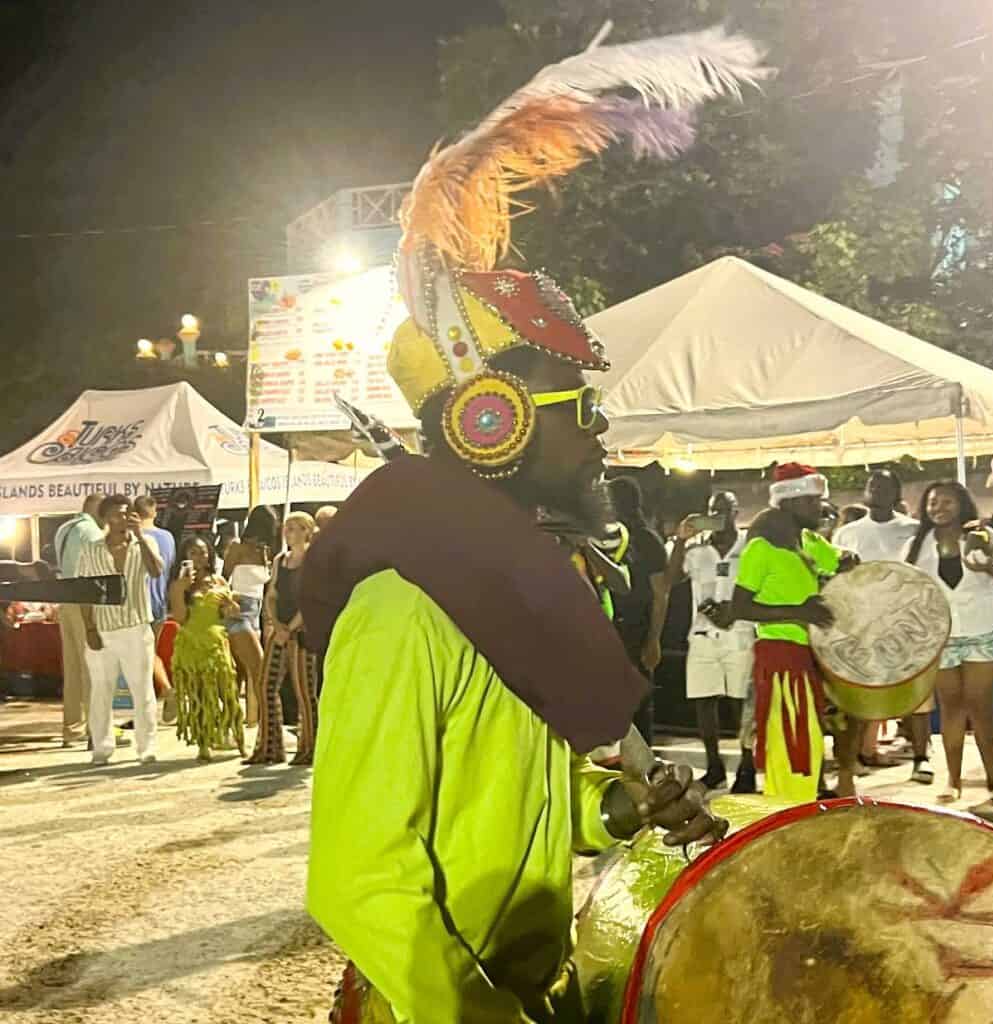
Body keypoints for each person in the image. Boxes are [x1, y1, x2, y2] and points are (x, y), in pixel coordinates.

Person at [296, 27, 756, 1012]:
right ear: (488, 422)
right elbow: (358, 875)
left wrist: (616, 807)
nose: (598, 439)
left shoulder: (519, 593)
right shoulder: (401, 612)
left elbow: (517, 810)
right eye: (578, 415)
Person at [731, 464, 857, 802]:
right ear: (790, 502)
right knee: (789, 744)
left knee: (809, 744)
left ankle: (797, 809)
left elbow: (837, 563)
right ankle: (786, 814)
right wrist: (799, 612)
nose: (821, 508)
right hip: (779, 657)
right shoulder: (761, 548)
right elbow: (739, 607)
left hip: (807, 657)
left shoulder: (810, 542)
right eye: (813, 502)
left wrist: (848, 560)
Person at [903, 480, 993, 806]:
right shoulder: (916, 543)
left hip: (983, 626)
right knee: (951, 706)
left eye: (947, 502)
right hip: (941, 633)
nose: (939, 509)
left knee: (980, 707)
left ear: (962, 504)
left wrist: (987, 566)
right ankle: (952, 780)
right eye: (933, 503)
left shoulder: (983, 535)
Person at [654, 492, 757, 793]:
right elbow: (669, 580)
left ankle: (747, 765)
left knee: (741, 704)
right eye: (713, 511)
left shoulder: (749, 547)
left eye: (724, 510)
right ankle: (714, 767)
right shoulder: (696, 549)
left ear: (736, 512)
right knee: (704, 700)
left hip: (739, 632)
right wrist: (681, 540)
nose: (719, 517)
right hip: (701, 633)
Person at [833, 470, 928, 779]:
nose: (877, 490)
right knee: (860, 693)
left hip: (905, 621)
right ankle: (857, 755)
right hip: (860, 622)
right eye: (872, 485)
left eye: (885, 486)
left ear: (896, 493)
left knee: (915, 693)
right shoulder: (847, 533)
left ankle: (921, 757)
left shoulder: (914, 529)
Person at [78, 494, 165, 765]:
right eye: (115, 514)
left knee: (142, 690)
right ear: (104, 519)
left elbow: (157, 571)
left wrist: (140, 536)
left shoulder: (144, 543)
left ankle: (146, 746)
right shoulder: (91, 549)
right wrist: (89, 628)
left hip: (136, 627)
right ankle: (102, 748)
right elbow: (84, 592)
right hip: (103, 628)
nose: (122, 519)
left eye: (126, 513)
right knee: (101, 690)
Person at [247, 511, 319, 766]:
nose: (288, 532)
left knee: (304, 691)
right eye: (286, 528)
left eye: (294, 528)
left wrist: (290, 627)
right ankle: (269, 746)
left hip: (301, 631)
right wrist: (276, 623)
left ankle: (309, 747)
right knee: (266, 685)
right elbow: (273, 593)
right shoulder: (280, 560)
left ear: (306, 531)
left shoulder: (313, 559)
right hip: (279, 630)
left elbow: (310, 598)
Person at [167, 535, 246, 762]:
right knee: (200, 696)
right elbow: (180, 618)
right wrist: (180, 589)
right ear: (184, 557)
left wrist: (231, 607)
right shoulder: (179, 585)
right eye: (193, 553)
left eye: (203, 552)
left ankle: (238, 741)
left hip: (217, 644)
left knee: (228, 694)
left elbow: (227, 613)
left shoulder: (219, 581)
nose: (200, 557)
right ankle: (204, 744)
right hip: (192, 644)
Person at [608, 476, 668, 744]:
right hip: (608, 628)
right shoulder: (603, 537)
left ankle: (644, 772)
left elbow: (660, 593)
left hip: (635, 630)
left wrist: (654, 639)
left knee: (639, 704)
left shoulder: (646, 540)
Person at [54, 495, 104, 746]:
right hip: (85, 602)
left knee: (72, 668)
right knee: (92, 667)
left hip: (65, 600)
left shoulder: (64, 528)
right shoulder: (92, 532)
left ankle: (72, 729)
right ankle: (96, 729)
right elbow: (96, 572)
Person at [222, 505, 278, 727]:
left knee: (241, 672)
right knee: (258, 666)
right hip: (238, 610)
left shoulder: (265, 551)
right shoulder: (238, 548)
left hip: (256, 613)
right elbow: (222, 578)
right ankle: (268, 722)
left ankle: (242, 721)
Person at [134, 494, 178, 724]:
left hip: (137, 604)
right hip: (160, 602)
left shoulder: (133, 537)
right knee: (147, 653)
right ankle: (146, 709)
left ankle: (167, 690)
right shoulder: (168, 537)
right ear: (155, 512)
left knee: (143, 655)